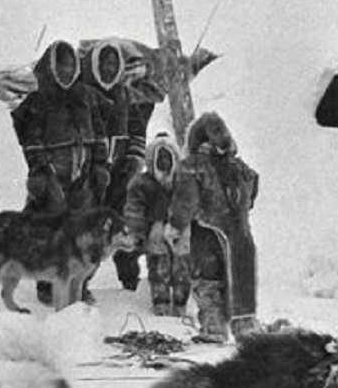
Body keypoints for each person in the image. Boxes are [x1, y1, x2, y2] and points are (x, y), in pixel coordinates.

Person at [11, 39, 109, 303]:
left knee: (86, 228)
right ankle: (48, 286)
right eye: (61, 66)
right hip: (54, 174)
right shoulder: (38, 100)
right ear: (51, 68)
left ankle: (80, 284)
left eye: (70, 65)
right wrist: (40, 170)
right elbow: (31, 138)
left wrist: (101, 164)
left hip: (84, 174)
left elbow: (99, 132)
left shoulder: (85, 96)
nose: (66, 71)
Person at [168, 110, 260, 342]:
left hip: (207, 232)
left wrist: (176, 226)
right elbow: (253, 189)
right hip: (241, 236)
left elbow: (186, 199)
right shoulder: (240, 167)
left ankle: (214, 327)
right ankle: (246, 327)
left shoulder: (192, 165)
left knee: (207, 279)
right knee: (241, 280)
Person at [81, 38, 154, 290]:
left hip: (120, 172)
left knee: (124, 224)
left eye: (114, 63)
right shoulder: (83, 94)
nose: (110, 68)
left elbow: (136, 128)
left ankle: (129, 281)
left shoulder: (123, 94)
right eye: (105, 63)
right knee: (87, 229)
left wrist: (134, 158)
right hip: (89, 176)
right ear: (95, 65)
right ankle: (76, 283)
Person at [120, 133, 196, 315]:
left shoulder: (185, 182)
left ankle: (180, 303)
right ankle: (160, 302)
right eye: (159, 158)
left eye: (167, 157)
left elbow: (193, 202)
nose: (164, 162)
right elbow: (134, 209)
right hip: (156, 228)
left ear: (175, 159)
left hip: (181, 228)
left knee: (182, 267)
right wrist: (136, 231)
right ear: (150, 159)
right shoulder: (141, 183)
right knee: (158, 265)